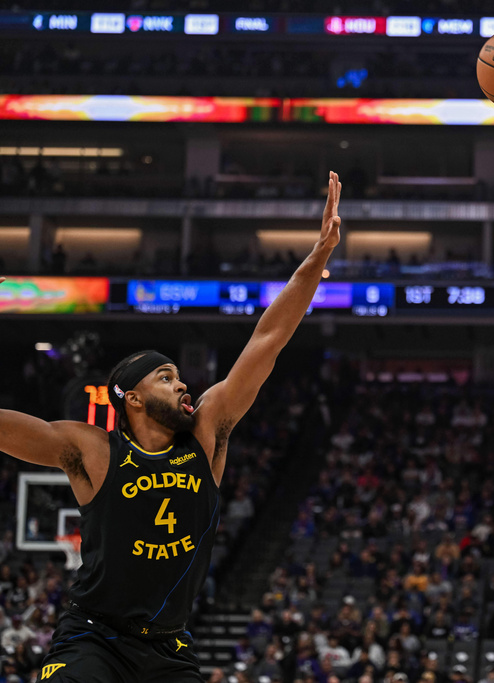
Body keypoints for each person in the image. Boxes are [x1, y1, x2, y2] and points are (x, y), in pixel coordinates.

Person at [0, 172, 343, 682]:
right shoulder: (93, 451)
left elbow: (266, 341)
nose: (183, 385)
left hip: (169, 647)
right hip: (94, 636)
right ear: (132, 397)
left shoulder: (206, 434)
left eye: (179, 376)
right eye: (166, 377)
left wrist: (314, 262)